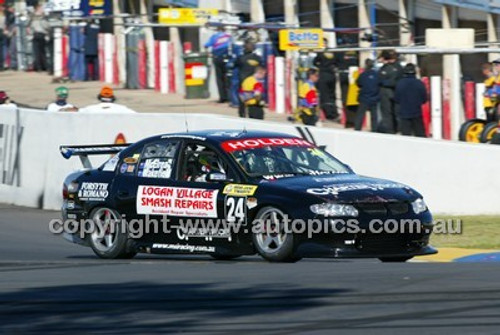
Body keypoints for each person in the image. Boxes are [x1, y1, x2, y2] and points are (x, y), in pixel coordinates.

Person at [394, 63, 427, 137]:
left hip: (404, 113)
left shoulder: (400, 83)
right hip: (417, 112)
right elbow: (424, 98)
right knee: (420, 135)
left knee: (406, 136)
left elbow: (397, 98)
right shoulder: (419, 83)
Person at [378, 50, 403, 133]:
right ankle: (395, 129)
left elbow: (381, 79)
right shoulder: (398, 67)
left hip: (389, 92)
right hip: (392, 92)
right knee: (393, 113)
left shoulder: (392, 68)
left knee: (389, 113)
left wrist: (383, 82)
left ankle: (391, 130)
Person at [235, 40, 262, 117]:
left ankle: (242, 113)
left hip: (244, 80)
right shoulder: (258, 58)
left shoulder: (241, 58)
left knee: (242, 98)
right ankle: (255, 112)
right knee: (256, 96)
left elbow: (233, 65)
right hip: (254, 80)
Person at [313, 39, 339, 120]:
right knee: (332, 95)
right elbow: (337, 63)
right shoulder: (332, 52)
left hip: (324, 75)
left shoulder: (320, 52)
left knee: (324, 95)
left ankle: (328, 114)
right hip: (332, 76)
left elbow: (314, 62)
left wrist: (320, 67)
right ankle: (333, 112)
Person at [204, 27, 232, 103]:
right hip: (227, 58)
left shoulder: (214, 36)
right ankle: (230, 97)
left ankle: (222, 97)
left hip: (217, 58)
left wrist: (208, 53)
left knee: (219, 78)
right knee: (228, 77)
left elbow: (206, 45)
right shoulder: (229, 36)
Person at [355, 59, 380, 131]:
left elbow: (358, 83)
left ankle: (357, 129)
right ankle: (374, 130)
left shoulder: (363, 75)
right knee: (374, 116)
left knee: (360, 115)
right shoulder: (376, 74)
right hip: (374, 98)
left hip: (364, 98)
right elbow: (380, 84)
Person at [29, 4, 50, 72]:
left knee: (40, 51)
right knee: (40, 52)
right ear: (38, 9)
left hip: (39, 34)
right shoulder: (39, 17)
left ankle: (41, 66)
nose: (42, 10)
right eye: (41, 8)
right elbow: (46, 26)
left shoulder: (34, 17)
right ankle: (41, 66)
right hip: (38, 34)